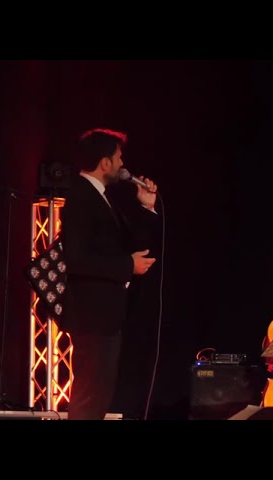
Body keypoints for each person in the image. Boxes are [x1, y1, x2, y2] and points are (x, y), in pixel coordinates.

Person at [60, 128, 160, 420]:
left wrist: (147, 207)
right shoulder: (80, 196)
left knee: (99, 395)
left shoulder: (101, 197)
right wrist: (127, 266)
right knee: (90, 394)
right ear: (105, 163)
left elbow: (128, 244)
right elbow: (76, 260)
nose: (122, 164)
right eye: (118, 158)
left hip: (106, 316)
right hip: (92, 315)